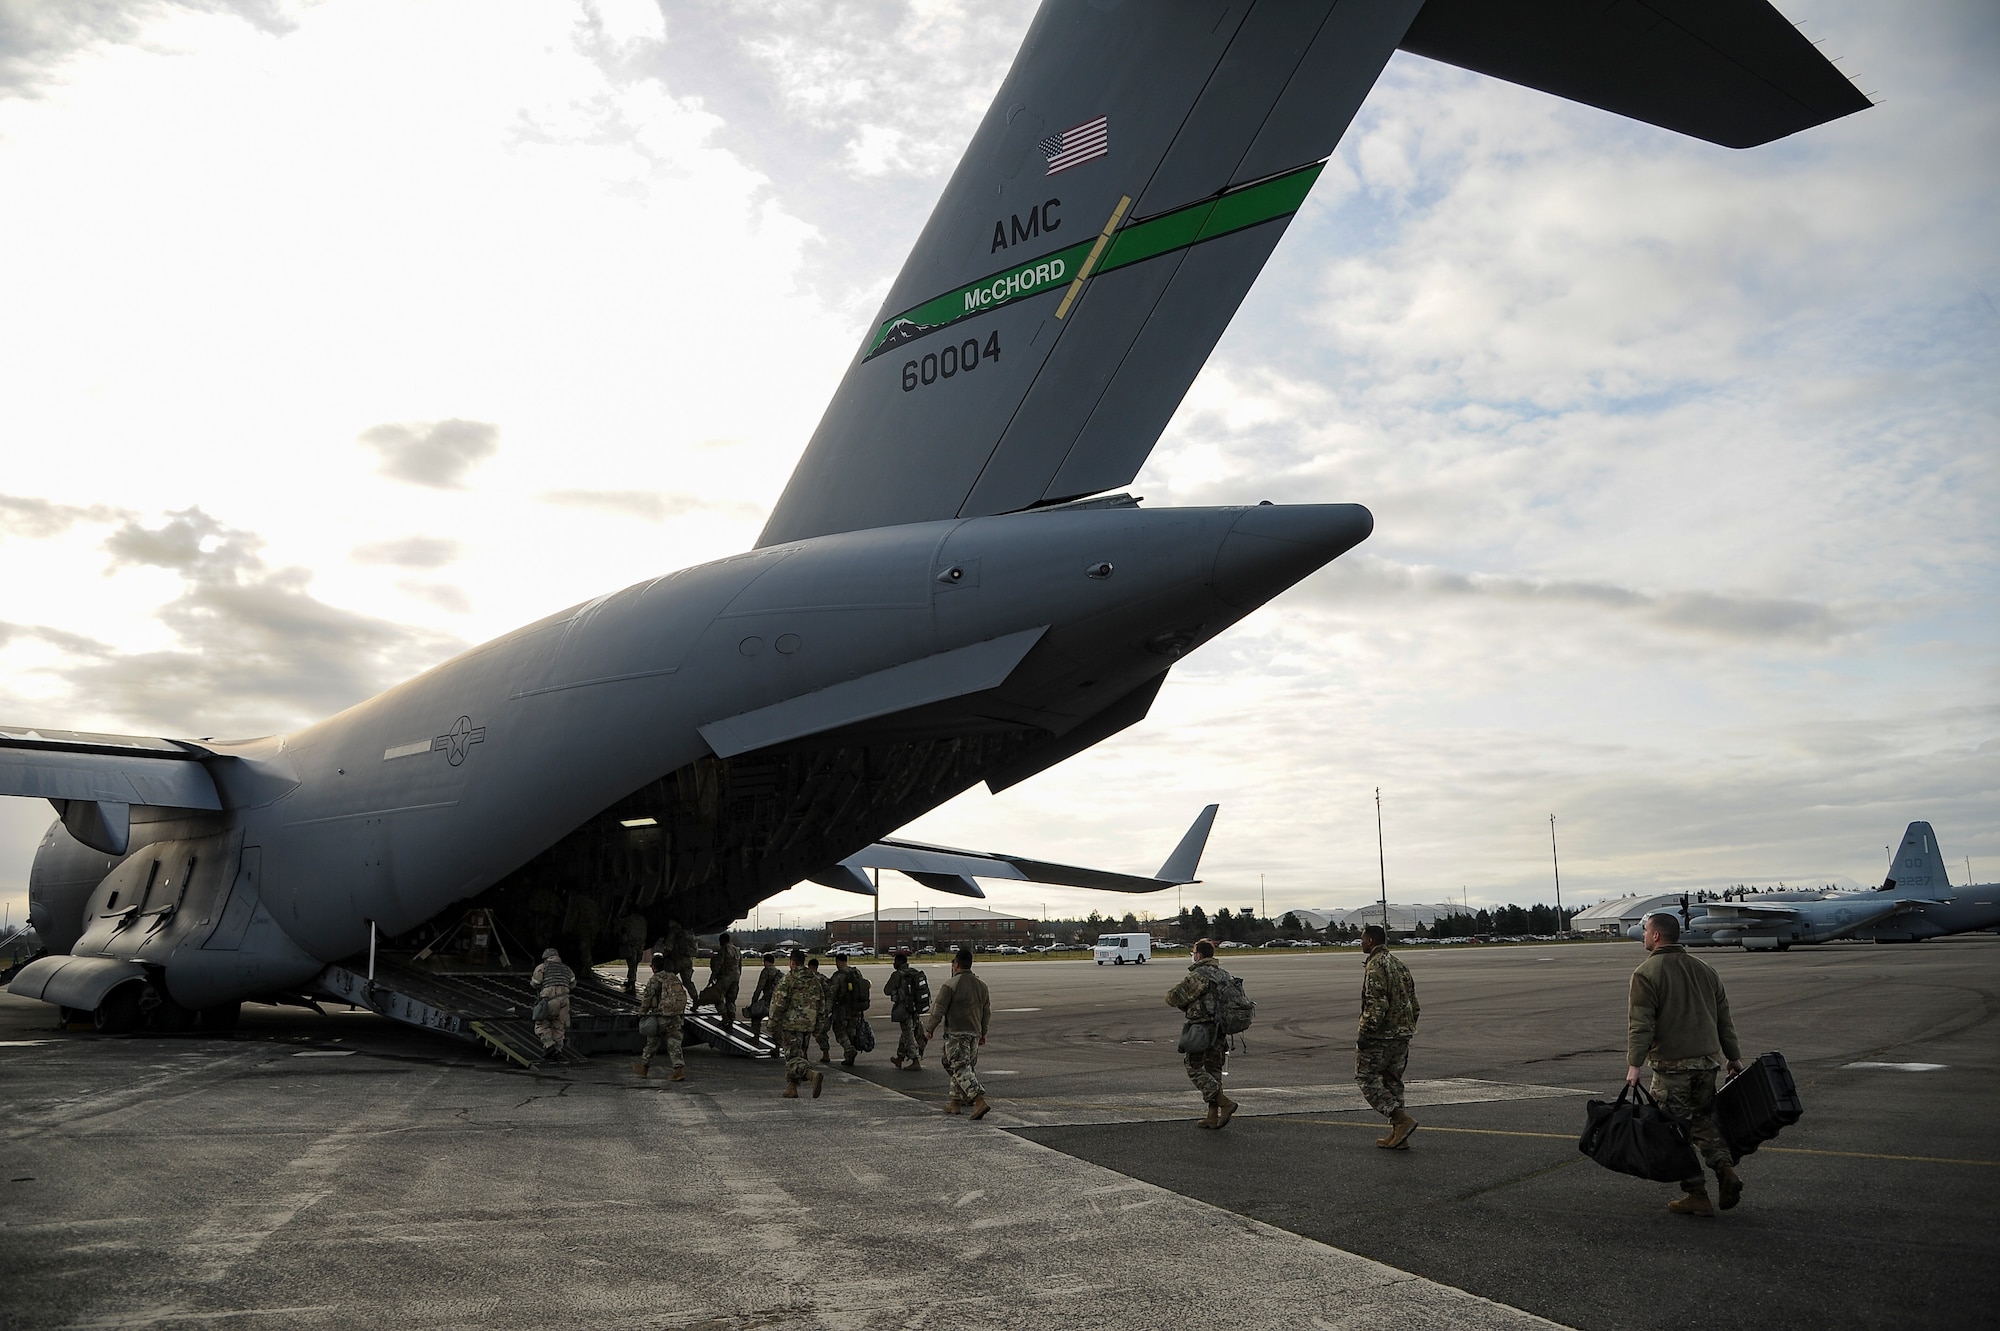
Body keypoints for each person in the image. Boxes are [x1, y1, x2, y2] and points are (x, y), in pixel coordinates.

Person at [1627, 911, 1744, 1216]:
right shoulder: (1706, 970)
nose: (1642, 936)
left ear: (1656, 936)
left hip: (1672, 1066)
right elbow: (1724, 1020)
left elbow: (1641, 1024)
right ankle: (1725, 1169)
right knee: (1702, 1122)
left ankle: (1696, 1193)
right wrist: (1733, 1056)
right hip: (1708, 1062)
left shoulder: (1646, 973)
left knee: (1674, 1130)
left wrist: (1634, 1064)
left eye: (1645, 931)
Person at [1356, 924, 1420, 1149]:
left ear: (1371, 941)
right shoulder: (1400, 965)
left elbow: (1377, 1005)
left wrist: (1366, 1031)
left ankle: (1400, 1119)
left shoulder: (1375, 966)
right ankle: (1400, 1136)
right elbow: (1414, 1004)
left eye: (1362, 939)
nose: (1361, 942)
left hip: (1381, 1036)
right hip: (1402, 1034)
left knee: (1366, 1077)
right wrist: (1406, 1028)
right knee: (1393, 1081)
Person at [1165, 938, 1237, 1129]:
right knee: (1214, 1070)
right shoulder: (1224, 974)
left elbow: (1173, 997)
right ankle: (1212, 1116)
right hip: (1220, 1028)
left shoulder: (1200, 975)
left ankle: (1224, 1102)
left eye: (1193, 952)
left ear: (1199, 955)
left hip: (1202, 1028)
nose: (1192, 956)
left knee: (1193, 1066)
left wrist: (1185, 1003)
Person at [922, 948, 991, 1118]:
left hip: (957, 1033)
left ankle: (978, 1100)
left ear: (957, 964)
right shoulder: (981, 985)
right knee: (949, 1062)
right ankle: (955, 1102)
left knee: (960, 1067)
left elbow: (938, 1009)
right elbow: (986, 1011)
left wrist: (930, 1028)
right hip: (974, 1032)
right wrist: (983, 1032)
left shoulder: (950, 985)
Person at [765, 949, 826, 1099]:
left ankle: (811, 1075)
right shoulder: (814, 980)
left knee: (792, 1058)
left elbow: (779, 1003)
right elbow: (821, 1005)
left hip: (791, 1025)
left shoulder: (789, 979)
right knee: (800, 1056)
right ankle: (792, 1088)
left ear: (792, 962)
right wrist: (818, 1027)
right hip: (808, 1025)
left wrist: (772, 1023)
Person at [633, 952, 688, 1081]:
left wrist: (641, 1014)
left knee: (652, 1043)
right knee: (674, 1043)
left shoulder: (654, 980)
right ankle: (678, 1070)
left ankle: (644, 1068)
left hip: (660, 1017)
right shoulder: (673, 977)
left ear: (653, 967)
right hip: (675, 1016)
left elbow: (647, 999)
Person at [883, 951, 929, 1069]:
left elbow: (887, 990)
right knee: (906, 1032)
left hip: (904, 1008)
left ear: (899, 962)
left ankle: (915, 1060)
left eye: (895, 961)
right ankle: (900, 1057)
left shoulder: (898, 975)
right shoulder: (914, 972)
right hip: (915, 1008)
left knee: (908, 1034)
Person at [530, 947, 575, 1060]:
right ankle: (558, 1050)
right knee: (559, 1025)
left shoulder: (542, 967)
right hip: (565, 1000)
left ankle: (549, 1045)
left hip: (550, 1000)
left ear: (545, 958)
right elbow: (573, 984)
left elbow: (535, 983)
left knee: (542, 1023)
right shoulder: (566, 968)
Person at [826, 953, 871, 1068]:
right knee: (851, 1030)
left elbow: (832, 994)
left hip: (843, 1008)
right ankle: (850, 1055)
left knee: (839, 1030)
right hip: (856, 1008)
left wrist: (827, 1010)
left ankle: (849, 1049)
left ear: (838, 962)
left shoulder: (838, 976)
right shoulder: (856, 973)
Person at [707, 930, 743, 1023]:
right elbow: (740, 965)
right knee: (731, 1000)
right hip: (736, 978)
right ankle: (732, 1017)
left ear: (723, 941)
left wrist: (712, 978)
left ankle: (724, 1017)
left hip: (725, 978)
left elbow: (718, 965)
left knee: (717, 997)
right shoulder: (737, 950)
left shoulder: (724, 949)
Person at [745, 951, 781, 1040]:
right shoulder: (778, 972)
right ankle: (777, 1045)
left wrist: (754, 1000)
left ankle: (756, 1037)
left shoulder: (766, 971)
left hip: (767, 1000)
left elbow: (760, 987)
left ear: (766, 961)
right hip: (776, 1000)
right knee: (776, 1023)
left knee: (756, 1016)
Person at [807, 957, 833, 1063]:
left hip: (809, 1010)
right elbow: (830, 993)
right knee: (821, 1033)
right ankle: (825, 1053)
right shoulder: (823, 978)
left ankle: (804, 1055)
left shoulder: (807, 979)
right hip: (821, 1011)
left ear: (809, 967)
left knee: (805, 1033)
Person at [617, 911, 649, 994]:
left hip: (632, 944)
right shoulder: (642, 920)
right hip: (641, 944)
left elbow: (623, 929)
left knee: (632, 965)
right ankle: (630, 981)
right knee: (634, 965)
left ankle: (632, 985)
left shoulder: (630, 919)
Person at [662, 918, 697, 994]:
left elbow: (668, 947)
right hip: (688, 961)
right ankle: (695, 999)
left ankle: (666, 997)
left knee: (667, 978)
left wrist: (664, 957)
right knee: (687, 982)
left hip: (676, 960)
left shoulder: (673, 932)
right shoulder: (689, 933)